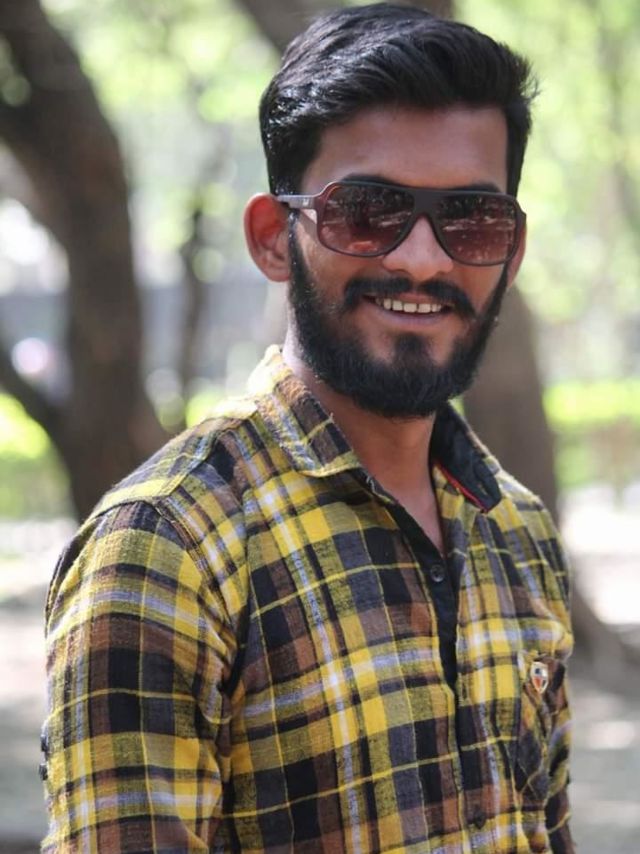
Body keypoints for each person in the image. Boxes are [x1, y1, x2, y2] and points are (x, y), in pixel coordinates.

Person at [41, 4, 574, 852]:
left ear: (509, 250)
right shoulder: (166, 552)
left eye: (472, 218)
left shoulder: (519, 529)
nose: (422, 259)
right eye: (367, 211)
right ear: (272, 238)